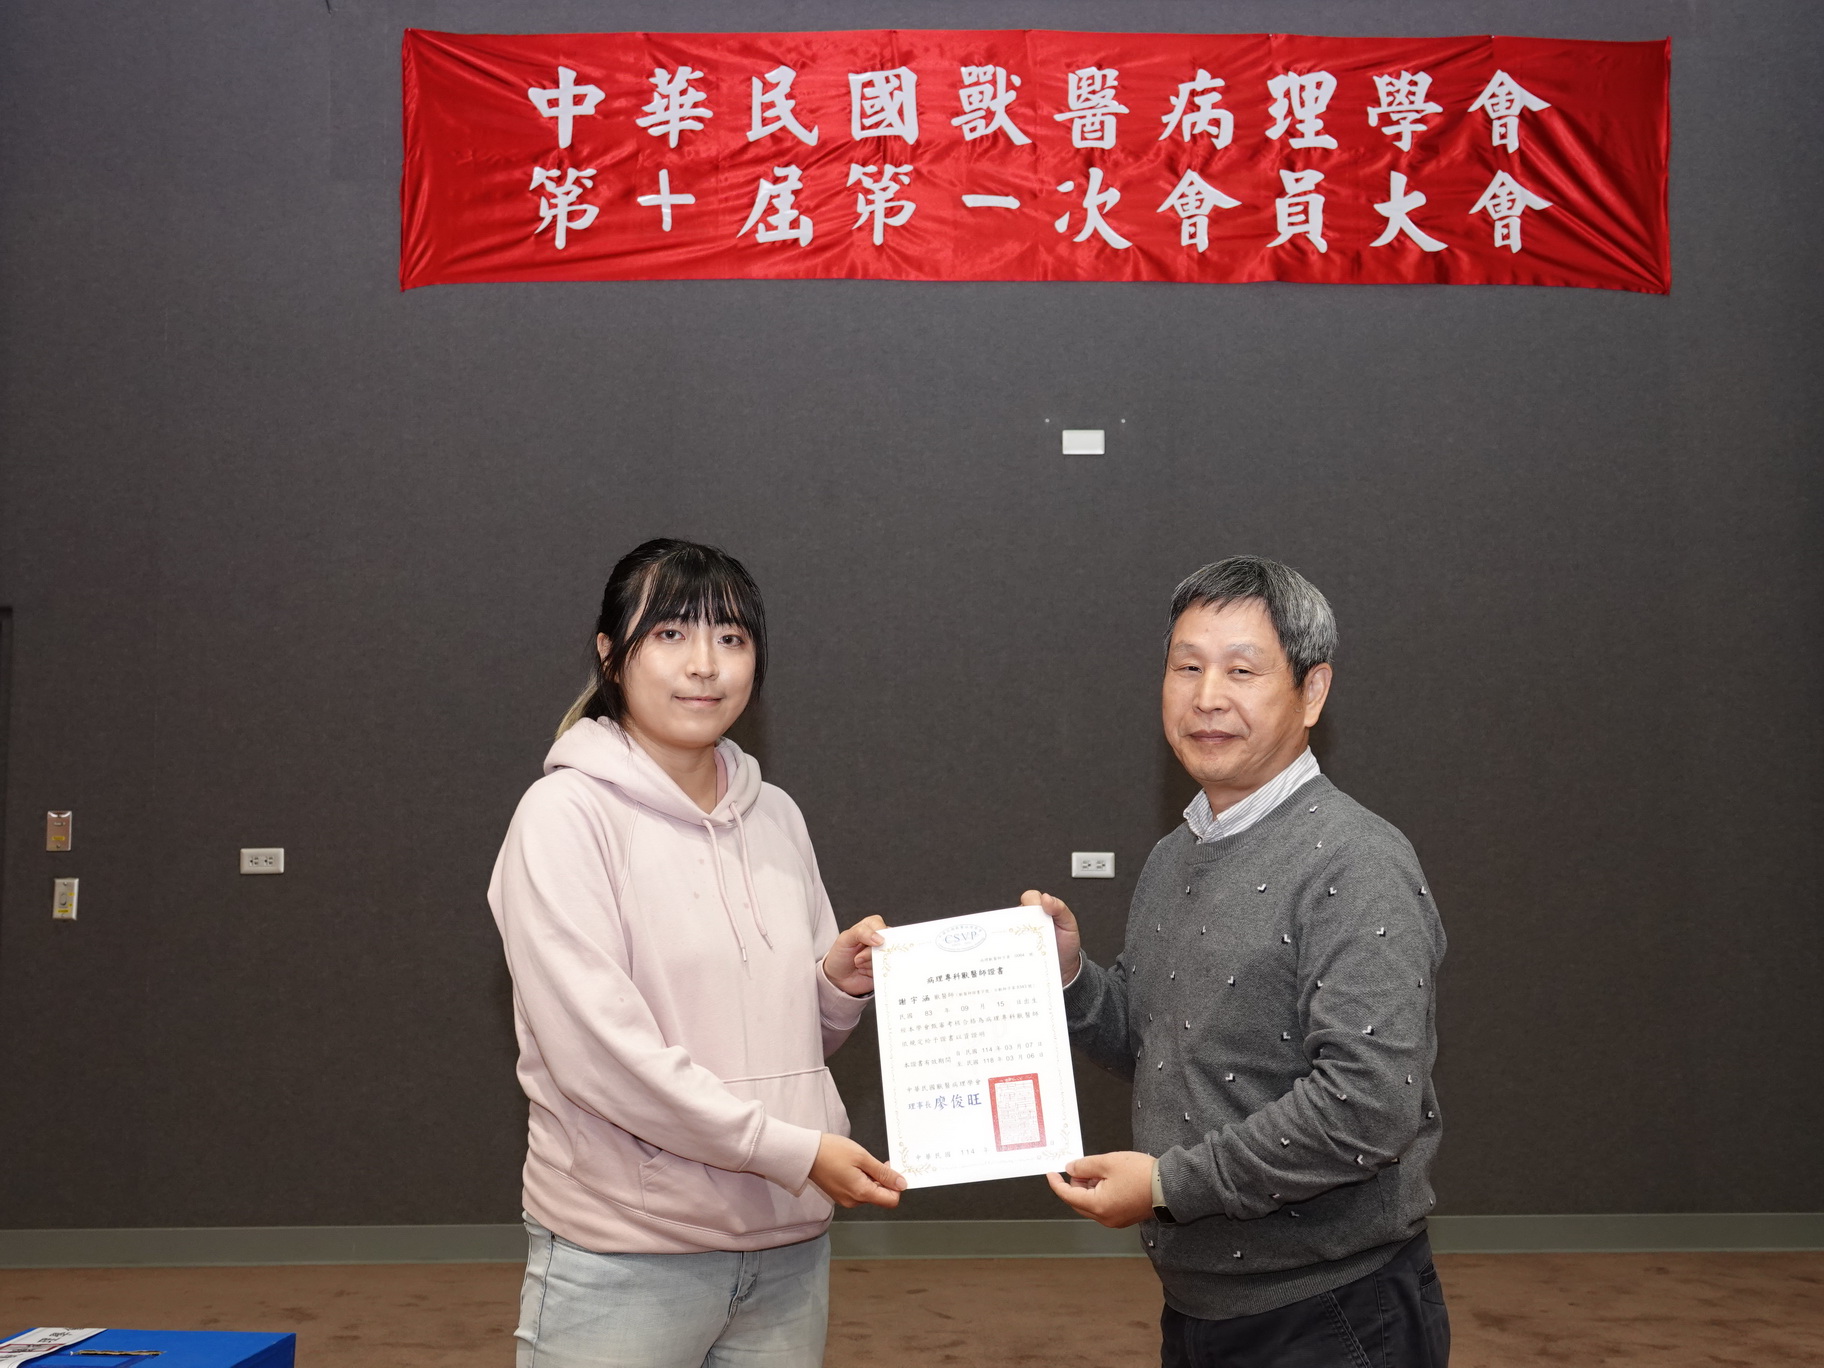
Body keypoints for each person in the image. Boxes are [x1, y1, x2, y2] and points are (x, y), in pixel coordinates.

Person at [489, 538, 904, 1368]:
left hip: (787, 1244)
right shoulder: (564, 816)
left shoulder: (776, 815)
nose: (705, 665)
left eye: (731, 638)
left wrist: (834, 986)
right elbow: (604, 1057)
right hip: (626, 1254)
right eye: (671, 634)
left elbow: (796, 1043)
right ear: (611, 654)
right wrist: (797, 1152)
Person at [1027, 555, 1450, 1368]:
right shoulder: (1175, 853)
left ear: (1312, 692)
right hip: (1201, 1300)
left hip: (1331, 1312)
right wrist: (1072, 976)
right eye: (1187, 667)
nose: (1207, 697)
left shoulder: (1357, 862)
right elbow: (1161, 1046)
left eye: (1242, 670)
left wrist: (1164, 1187)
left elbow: (1366, 1107)